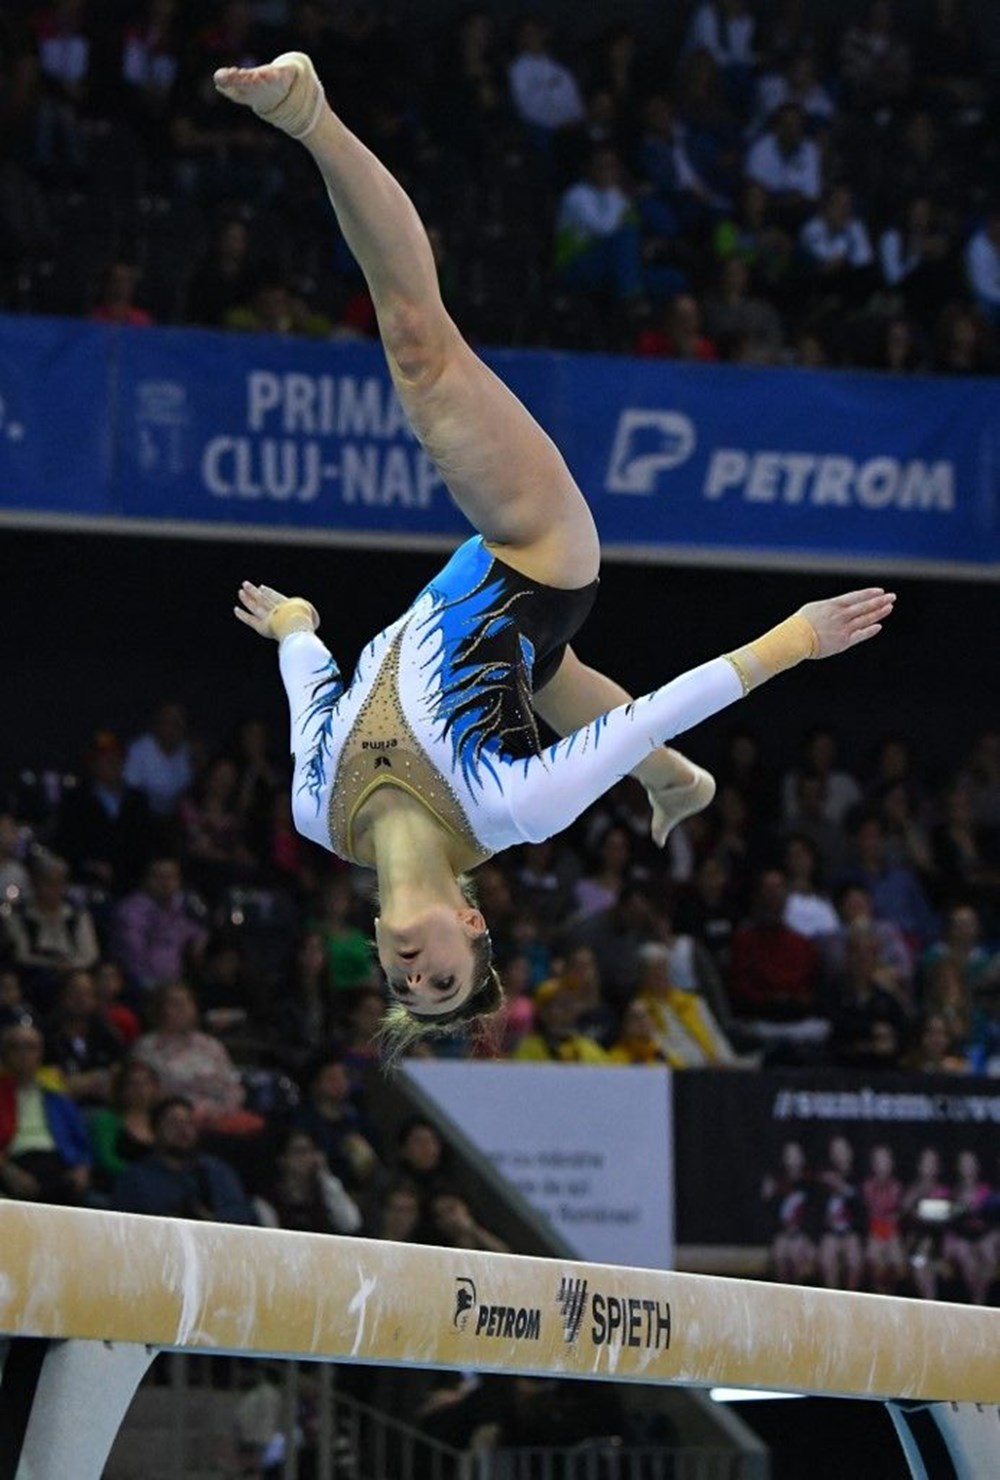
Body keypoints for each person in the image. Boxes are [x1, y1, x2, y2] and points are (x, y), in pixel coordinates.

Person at [215, 51, 895, 1052]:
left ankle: (677, 783)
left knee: (540, 667)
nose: (417, 969)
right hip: (534, 552)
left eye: (408, 983)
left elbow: (315, 692)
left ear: (371, 942)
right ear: (475, 921)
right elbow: (662, 707)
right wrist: (794, 637)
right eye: (445, 974)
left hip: (517, 641)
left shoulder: (319, 813)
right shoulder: (513, 808)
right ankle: (313, 113)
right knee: (419, 347)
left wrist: (292, 625)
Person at [111, 1094, 256, 1223]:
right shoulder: (136, 1177)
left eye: (189, 1123)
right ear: (155, 1130)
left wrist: (207, 1217)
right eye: (173, 1123)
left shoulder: (215, 1170)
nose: (183, 1129)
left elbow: (241, 1214)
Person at [0, 1018, 92, 1205]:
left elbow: (81, 1141)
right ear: (5, 1054)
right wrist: (7, 1171)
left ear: (40, 1053)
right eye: (16, 1047)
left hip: (56, 1163)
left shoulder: (56, 1094)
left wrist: (83, 1169)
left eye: (30, 1047)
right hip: (13, 1163)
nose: (23, 1054)